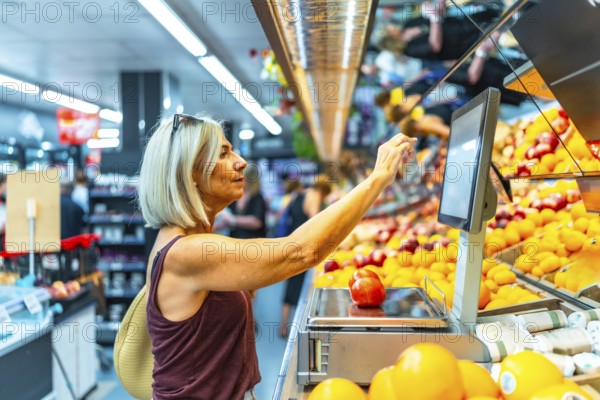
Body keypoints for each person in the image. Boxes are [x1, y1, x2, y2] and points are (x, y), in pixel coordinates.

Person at [137, 114, 415, 399]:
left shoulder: (187, 242)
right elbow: (301, 252)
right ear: (190, 173)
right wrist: (378, 178)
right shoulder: (186, 252)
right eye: (223, 153)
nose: (240, 161)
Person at [279, 176, 332, 338]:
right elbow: (315, 224)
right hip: (305, 248)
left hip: (292, 245)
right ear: (323, 191)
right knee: (304, 291)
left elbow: (282, 215)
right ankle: (299, 331)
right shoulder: (314, 197)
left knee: (290, 286)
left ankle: (282, 326)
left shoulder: (297, 196)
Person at [227, 165, 267, 239]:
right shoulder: (235, 196)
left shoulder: (257, 197)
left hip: (252, 242)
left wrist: (233, 219)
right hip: (234, 240)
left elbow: (257, 222)